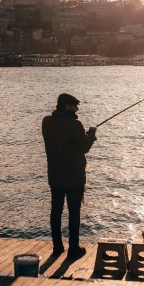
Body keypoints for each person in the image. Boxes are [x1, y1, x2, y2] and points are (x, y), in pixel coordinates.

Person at [42, 93, 97, 260]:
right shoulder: (75, 124)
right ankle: (73, 248)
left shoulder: (46, 121)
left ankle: (57, 247)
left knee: (56, 211)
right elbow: (84, 147)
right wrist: (91, 135)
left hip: (55, 176)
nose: (77, 108)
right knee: (74, 213)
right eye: (74, 105)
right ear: (67, 106)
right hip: (74, 177)